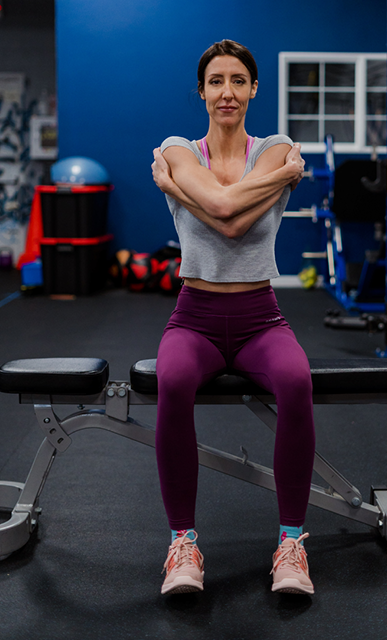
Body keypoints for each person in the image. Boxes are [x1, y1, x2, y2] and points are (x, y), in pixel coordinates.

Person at [150, 39, 315, 596]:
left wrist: (178, 192)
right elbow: (225, 212)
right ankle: (183, 544)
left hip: (260, 318)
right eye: (216, 81)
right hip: (193, 319)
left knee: (296, 382)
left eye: (238, 81)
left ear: (254, 89)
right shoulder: (177, 148)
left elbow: (233, 224)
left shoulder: (274, 145)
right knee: (171, 382)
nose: (227, 92)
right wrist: (282, 179)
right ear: (202, 91)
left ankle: (291, 544)